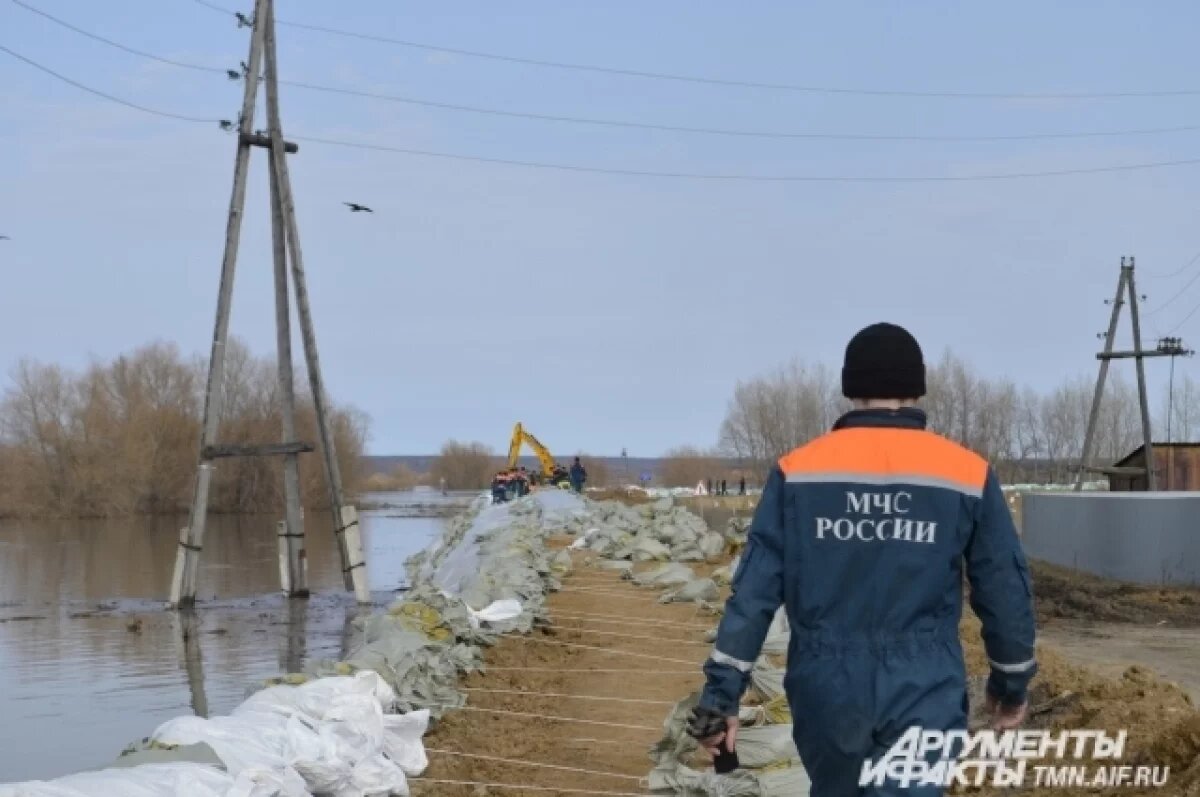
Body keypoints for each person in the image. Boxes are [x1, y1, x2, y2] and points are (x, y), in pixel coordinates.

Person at [688, 323, 1036, 796]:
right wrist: (1010, 686)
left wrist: (721, 696)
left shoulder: (799, 471)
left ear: (850, 386)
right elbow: (1004, 590)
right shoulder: (966, 473)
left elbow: (754, 591)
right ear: (918, 387)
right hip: (924, 682)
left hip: (826, 686)